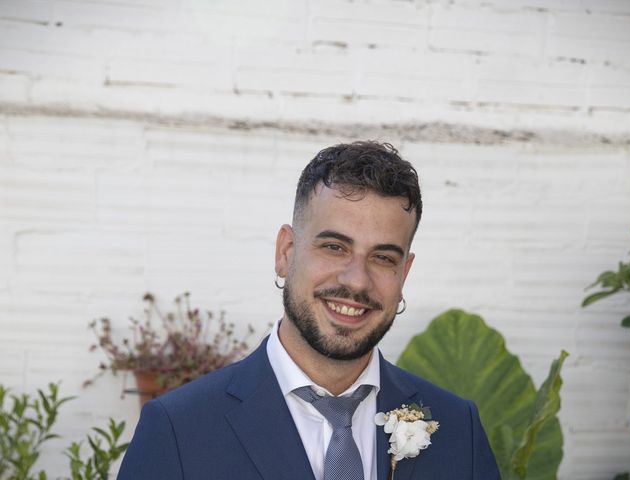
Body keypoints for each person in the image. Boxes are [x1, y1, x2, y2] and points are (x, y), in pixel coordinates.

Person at [117, 141, 500, 480]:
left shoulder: (456, 429)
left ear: (404, 273)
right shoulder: (180, 430)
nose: (357, 282)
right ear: (286, 253)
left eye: (383, 258)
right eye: (334, 247)